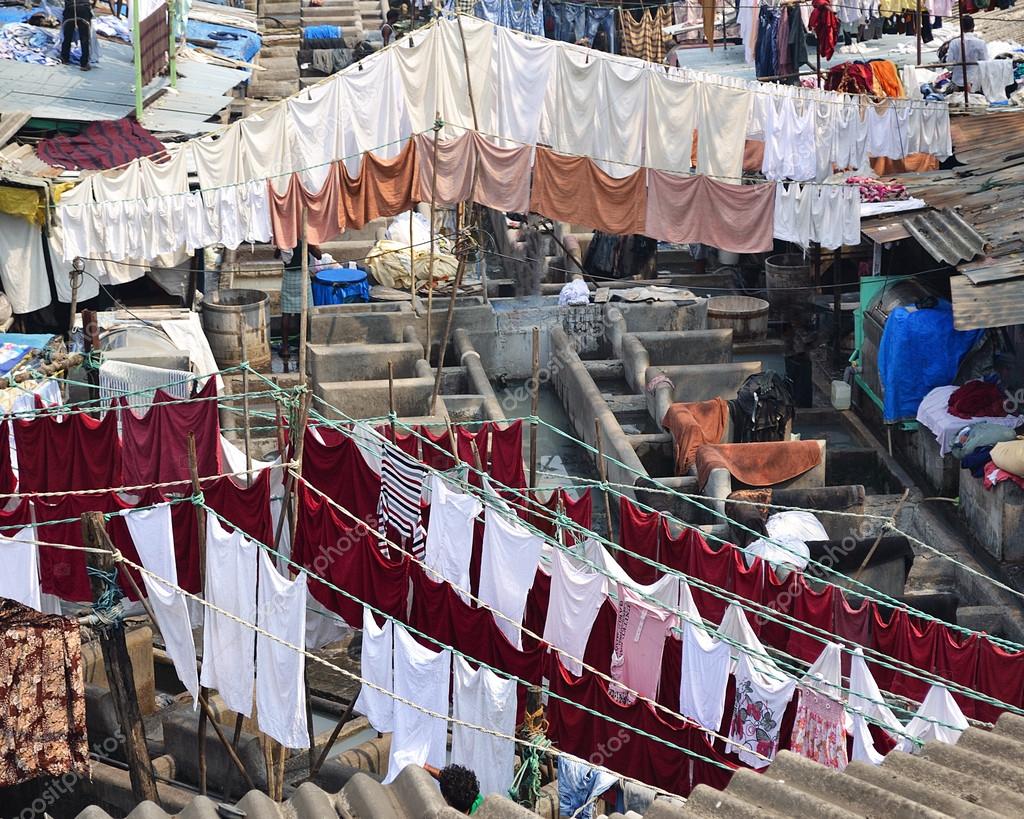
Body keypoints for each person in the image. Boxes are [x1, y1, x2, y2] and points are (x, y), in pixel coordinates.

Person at [276, 244, 321, 359]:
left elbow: (276, 255)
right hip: (302, 276)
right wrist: (311, 245)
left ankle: (285, 347)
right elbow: (319, 256)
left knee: (286, 313)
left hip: (289, 276)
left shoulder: (285, 239)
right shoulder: (305, 238)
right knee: (304, 312)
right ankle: (303, 344)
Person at [938, 16, 989, 92]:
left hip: (958, 81)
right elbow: (985, 63)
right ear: (973, 27)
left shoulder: (954, 43)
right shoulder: (981, 43)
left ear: (961, 27)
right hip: (975, 82)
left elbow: (949, 66)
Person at [60, 0, 92, 71]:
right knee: (85, 38)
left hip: (70, 9)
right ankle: (84, 63)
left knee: (67, 36)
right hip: (84, 10)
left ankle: (64, 58)